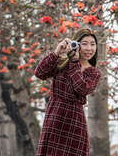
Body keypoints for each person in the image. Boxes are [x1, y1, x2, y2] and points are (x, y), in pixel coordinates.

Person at [34, 28, 101, 156]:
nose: (89, 48)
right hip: (54, 116)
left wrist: (74, 62)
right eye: (84, 44)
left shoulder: (93, 72)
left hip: (74, 122)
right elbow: (40, 73)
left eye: (93, 44)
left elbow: (81, 88)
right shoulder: (61, 63)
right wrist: (56, 52)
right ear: (75, 44)